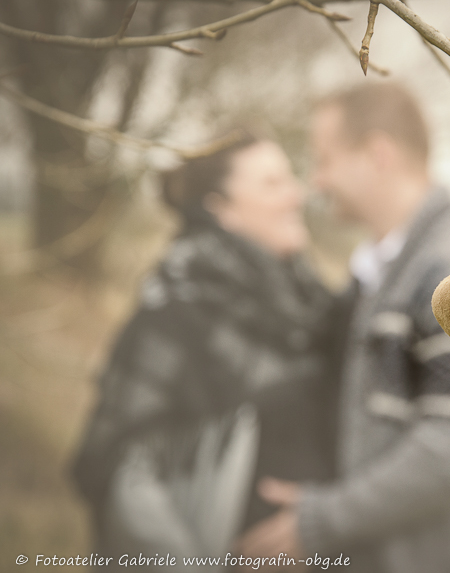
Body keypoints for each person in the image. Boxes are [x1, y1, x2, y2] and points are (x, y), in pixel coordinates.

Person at [239, 83, 450, 573]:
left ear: (378, 154)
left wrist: (318, 522)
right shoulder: (382, 270)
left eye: (326, 159)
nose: (317, 180)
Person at [72, 134, 339, 567]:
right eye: (272, 184)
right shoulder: (179, 309)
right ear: (220, 207)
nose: (296, 194)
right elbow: (124, 470)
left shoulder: (308, 300)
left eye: (290, 178)